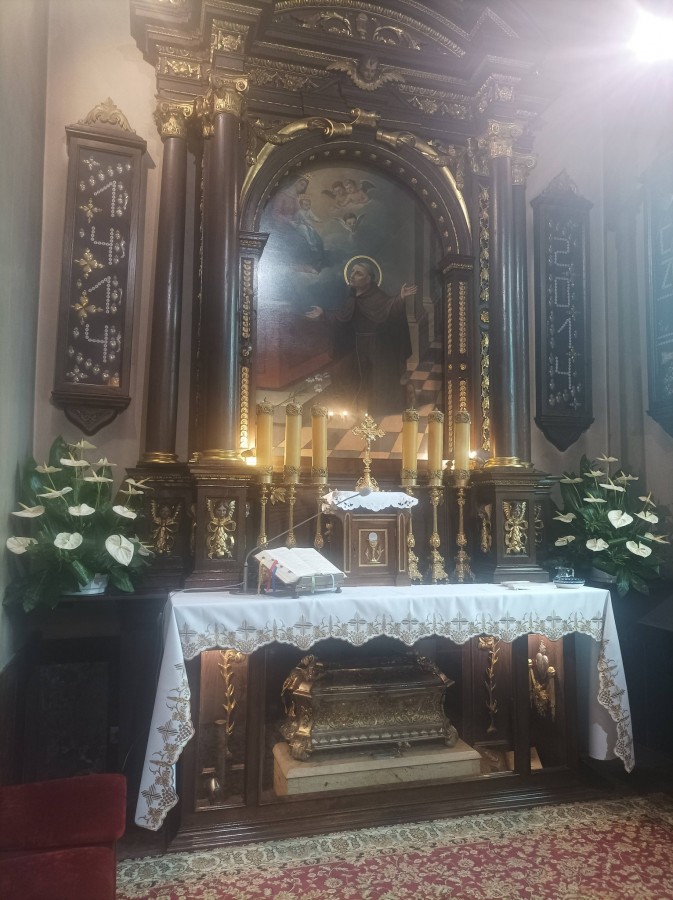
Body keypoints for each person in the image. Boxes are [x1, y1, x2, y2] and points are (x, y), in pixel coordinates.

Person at [306, 261, 416, 415]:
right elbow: (341, 318)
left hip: (377, 345)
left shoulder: (377, 296)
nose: (352, 275)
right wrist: (323, 314)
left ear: (369, 279)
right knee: (354, 375)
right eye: (352, 272)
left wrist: (400, 298)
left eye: (358, 273)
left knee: (378, 378)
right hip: (357, 345)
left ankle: (380, 408)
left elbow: (389, 307)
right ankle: (358, 407)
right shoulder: (351, 299)